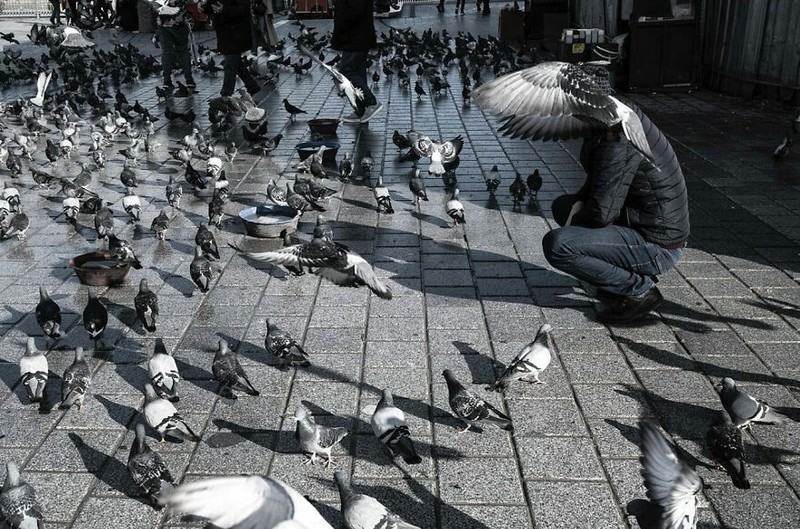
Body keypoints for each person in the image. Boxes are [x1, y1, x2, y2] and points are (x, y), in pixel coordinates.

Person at [542, 111, 690, 325]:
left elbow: (603, 213)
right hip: (641, 225)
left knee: (558, 245)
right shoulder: (614, 119)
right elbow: (600, 180)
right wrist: (578, 206)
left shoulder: (619, 138)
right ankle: (617, 278)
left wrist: (574, 227)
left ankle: (639, 290)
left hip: (658, 247)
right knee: (564, 207)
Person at [331, 0, 382, 124]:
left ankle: (371, 103)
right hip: (357, 35)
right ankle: (361, 110)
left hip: (355, 35)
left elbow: (356, 10)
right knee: (358, 73)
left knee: (347, 70)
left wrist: (342, 26)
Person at [200, 0, 260, 96]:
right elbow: (212, 4)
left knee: (230, 63)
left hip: (238, 31)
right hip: (224, 31)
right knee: (235, 61)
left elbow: (243, 9)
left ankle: (226, 94)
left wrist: (224, 10)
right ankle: (252, 86)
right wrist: (203, 6)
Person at [149, 0, 196, 91]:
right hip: (179, 22)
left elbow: (156, 6)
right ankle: (189, 79)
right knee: (183, 51)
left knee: (166, 53)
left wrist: (157, 33)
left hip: (164, 24)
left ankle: (167, 81)